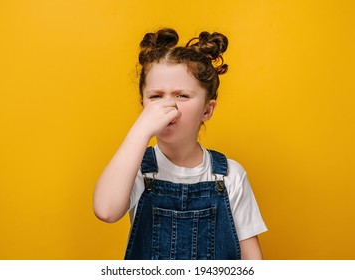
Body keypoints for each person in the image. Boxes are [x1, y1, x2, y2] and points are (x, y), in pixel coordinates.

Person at [93, 28, 267, 260]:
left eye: (181, 96)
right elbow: (106, 210)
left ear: (207, 109)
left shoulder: (229, 175)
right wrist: (141, 130)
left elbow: (251, 259)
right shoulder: (136, 169)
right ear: (143, 104)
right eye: (156, 96)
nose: (168, 106)